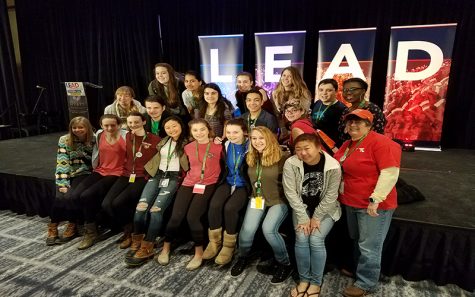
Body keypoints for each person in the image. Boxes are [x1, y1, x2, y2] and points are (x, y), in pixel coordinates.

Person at [333, 109, 401, 297]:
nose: (353, 125)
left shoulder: (381, 143)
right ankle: (358, 271)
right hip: (351, 201)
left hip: (373, 205)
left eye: (359, 122)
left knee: (369, 245)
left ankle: (366, 282)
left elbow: (390, 173)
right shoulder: (347, 144)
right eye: (350, 122)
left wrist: (375, 199)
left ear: (369, 125)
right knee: (357, 240)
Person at [157, 119, 222, 270]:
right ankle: (166, 248)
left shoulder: (218, 146)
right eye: (195, 130)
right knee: (176, 217)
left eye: (202, 129)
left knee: (193, 217)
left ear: (208, 130)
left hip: (208, 184)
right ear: (191, 132)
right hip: (189, 182)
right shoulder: (187, 147)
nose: (199, 133)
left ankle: (198, 253)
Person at [230, 126, 292, 284]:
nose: (257, 142)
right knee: (247, 231)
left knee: (269, 229)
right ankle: (243, 257)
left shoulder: (283, 157)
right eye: (254, 138)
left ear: (269, 138)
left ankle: (284, 263)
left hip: (278, 200)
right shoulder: (251, 156)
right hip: (258, 198)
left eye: (261, 138)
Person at [283, 133, 342, 297]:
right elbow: (291, 193)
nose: (302, 153)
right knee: (302, 237)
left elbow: (331, 196)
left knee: (315, 239)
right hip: (301, 208)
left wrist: (316, 217)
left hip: (326, 209)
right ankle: (304, 279)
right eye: (298, 149)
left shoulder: (333, 166)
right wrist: (303, 217)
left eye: (307, 148)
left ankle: (316, 282)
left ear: (318, 147)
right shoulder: (291, 163)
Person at [125, 116, 189, 266]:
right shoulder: (164, 140)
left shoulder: (188, 142)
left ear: (181, 125)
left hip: (174, 177)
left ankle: (148, 245)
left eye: (174, 126)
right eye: (168, 128)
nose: (171, 130)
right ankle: (138, 240)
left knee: (155, 210)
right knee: (140, 208)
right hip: (158, 174)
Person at [101, 112, 160, 249]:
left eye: (136, 122)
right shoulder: (128, 136)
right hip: (127, 174)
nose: (133, 125)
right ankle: (128, 228)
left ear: (144, 122)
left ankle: (131, 233)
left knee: (118, 202)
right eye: (130, 123)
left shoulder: (155, 140)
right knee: (106, 204)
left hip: (142, 177)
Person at [75, 114, 127, 250]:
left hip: (118, 172)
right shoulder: (99, 134)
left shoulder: (126, 136)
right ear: (101, 126)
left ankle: (91, 232)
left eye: (113, 125)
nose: (109, 128)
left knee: (87, 195)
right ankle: (87, 224)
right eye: (106, 125)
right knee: (77, 194)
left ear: (119, 125)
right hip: (100, 170)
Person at [202, 119, 250, 265]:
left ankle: (229, 246)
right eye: (228, 132)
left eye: (235, 132)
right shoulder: (225, 144)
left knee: (230, 208)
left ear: (244, 132)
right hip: (228, 181)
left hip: (243, 184)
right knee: (214, 205)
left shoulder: (251, 146)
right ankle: (214, 242)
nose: (231, 135)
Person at [47, 116, 94, 245]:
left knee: (71, 196)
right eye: (74, 127)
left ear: (87, 128)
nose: (77, 130)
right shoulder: (65, 139)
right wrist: (63, 182)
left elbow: (94, 161)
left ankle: (72, 224)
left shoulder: (94, 139)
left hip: (83, 172)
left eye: (81, 127)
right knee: (60, 197)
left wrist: (84, 152)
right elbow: (62, 161)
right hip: (67, 171)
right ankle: (53, 227)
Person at [337, 78, 386, 143]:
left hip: (365, 150)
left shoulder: (373, 109)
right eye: (345, 90)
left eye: (353, 89)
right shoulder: (346, 111)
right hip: (347, 149)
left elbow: (378, 135)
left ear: (363, 91)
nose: (348, 92)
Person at [311, 79, 347, 149]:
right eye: (321, 90)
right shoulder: (317, 103)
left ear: (336, 91)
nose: (324, 93)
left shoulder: (342, 109)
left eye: (328, 90)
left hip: (331, 147)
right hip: (315, 142)